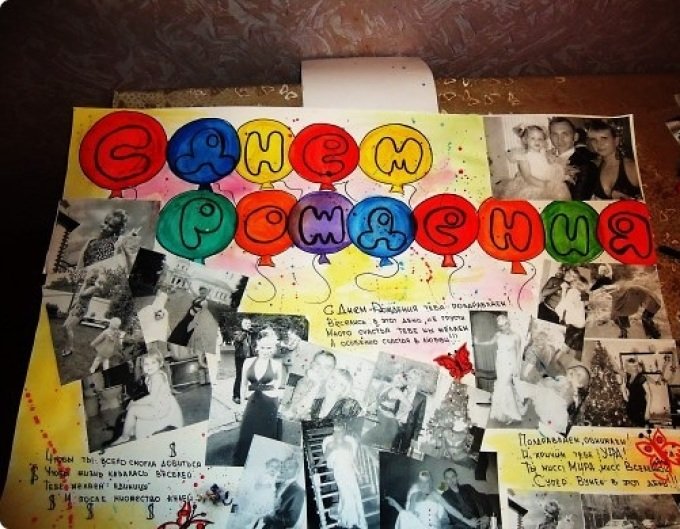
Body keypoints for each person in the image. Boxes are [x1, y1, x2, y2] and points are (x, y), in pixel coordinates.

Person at [232, 329, 285, 466]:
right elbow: (243, 385)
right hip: (252, 402)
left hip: (269, 404)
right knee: (247, 435)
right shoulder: (248, 362)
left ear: (273, 348)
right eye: (263, 347)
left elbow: (276, 388)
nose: (266, 351)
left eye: (269, 348)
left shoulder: (277, 365)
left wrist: (255, 388)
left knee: (266, 437)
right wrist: (242, 405)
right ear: (257, 347)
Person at [110, 349, 184, 444]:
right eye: (146, 364)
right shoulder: (151, 376)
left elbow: (151, 398)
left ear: (160, 364)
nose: (150, 366)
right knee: (135, 405)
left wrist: (135, 403)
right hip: (161, 404)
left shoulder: (157, 377)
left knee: (133, 410)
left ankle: (125, 436)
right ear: (142, 366)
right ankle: (130, 427)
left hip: (159, 408)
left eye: (153, 363)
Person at [475, 314, 526, 424]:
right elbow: (490, 342)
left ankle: (511, 414)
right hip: (500, 363)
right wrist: (478, 343)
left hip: (510, 364)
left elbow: (518, 354)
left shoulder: (516, 336)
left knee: (505, 386)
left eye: (505, 324)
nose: (504, 327)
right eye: (501, 326)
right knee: (502, 386)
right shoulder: (498, 335)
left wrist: (517, 368)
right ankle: (504, 412)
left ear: (509, 323)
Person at [386, 470, 478, 529]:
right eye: (422, 482)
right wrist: (395, 504)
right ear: (419, 482)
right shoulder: (414, 495)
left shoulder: (435, 494)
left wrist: (468, 521)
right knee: (404, 515)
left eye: (427, 482)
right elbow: (408, 516)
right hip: (417, 525)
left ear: (430, 482)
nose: (424, 485)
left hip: (432, 526)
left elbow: (450, 509)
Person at [590, 264, 662, 339]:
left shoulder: (619, 288)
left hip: (644, 298)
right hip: (634, 296)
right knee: (619, 315)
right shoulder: (615, 288)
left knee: (644, 318)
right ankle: (652, 334)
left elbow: (613, 287)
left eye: (602, 273)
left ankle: (654, 334)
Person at [501, 124, 570, 200]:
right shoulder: (523, 157)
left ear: (544, 141)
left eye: (540, 139)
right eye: (533, 138)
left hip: (547, 180)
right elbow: (527, 176)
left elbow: (547, 165)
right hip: (533, 184)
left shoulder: (543, 152)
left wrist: (551, 159)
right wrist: (543, 185)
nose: (537, 141)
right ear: (525, 140)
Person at [321, 423, 367, 529]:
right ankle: (349, 521)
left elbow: (353, 461)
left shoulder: (349, 444)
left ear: (344, 432)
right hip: (339, 472)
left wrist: (359, 474)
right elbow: (324, 458)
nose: (338, 433)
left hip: (350, 471)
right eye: (336, 431)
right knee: (347, 495)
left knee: (355, 494)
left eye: (340, 431)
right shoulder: (330, 445)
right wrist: (315, 465)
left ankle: (358, 519)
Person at [587, 119, 641, 200]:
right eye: (594, 140)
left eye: (604, 138)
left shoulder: (632, 167)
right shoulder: (593, 167)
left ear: (616, 141)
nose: (599, 144)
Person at [548, 117, 599, 200]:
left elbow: (578, 200)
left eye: (565, 134)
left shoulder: (585, 165)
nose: (559, 139)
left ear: (575, 137)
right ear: (550, 137)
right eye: (555, 134)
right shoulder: (545, 159)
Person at [281, 350, 337, 421]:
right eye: (318, 364)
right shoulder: (304, 381)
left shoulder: (332, 389)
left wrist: (316, 385)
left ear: (333, 371)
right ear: (312, 365)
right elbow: (296, 410)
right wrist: (316, 385)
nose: (320, 369)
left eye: (327, 367)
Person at [362, 371, 411, 449]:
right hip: (380, 413)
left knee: (370, 437)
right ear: (395, 375)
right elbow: (376, 399)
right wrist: (367, 408)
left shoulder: (398, 392)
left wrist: (398, 417)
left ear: (402, 385)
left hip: (388, 418)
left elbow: (410, 407)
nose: (398, 382)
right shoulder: (385, 385)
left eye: (401, 382)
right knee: (370, 438)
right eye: (398, 378)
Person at [61, 272, 104, 357]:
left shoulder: (93, 288)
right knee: (64, 327)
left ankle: (70, 349)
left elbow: (82, 294)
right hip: (76, 307)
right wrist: (73, 306)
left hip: (81, 310)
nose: (93, 279)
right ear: (88, 276)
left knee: (69, 327)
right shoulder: (87, 285)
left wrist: (85, 283)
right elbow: (79, 297)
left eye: (95, 278)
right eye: (92, 277)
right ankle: (66, 345)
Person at [257, 456, 305, 529]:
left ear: (297, 470)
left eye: (290, 467)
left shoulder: (298, 491)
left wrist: (269, 516)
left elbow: (291, 521)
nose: (286, 469)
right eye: (284, 466)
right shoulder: (276, 484)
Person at [392, 369, 428, 454]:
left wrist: (415, 438)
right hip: (395, 425)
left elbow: (419, 419)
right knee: (391, 449)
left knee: (403, 453)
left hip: (408, 429)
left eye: (414, 379)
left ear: (417, 381)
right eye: (410, 378)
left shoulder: (421, 397)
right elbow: (393, 407)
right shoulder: (399, 390)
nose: (411, 381)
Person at [554, 268, 588, 356]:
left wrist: (564, 290)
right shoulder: (580, 293)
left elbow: (564, 305)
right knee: (567, 350)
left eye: (574, 278)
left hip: (573, 327)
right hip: (580, 326)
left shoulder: (573, 291)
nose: (572, 280)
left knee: (562, 350)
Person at [167, 286, 209, 353]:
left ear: (206, 293)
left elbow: (202, 313)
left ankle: (180, 349)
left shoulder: (205, 302)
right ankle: (173, 345)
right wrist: (189, 284)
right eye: (200, 293)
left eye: (203, 293)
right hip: (188, 316)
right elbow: (193, 292)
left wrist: (195, 322)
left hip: (193, 319)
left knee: (185, 332)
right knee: (180, 329)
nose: (201, 294)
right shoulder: (199, 298)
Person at [232, 318, 256, 404]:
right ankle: (236, 396)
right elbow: (239, 339)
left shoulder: (250, 333)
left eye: (249, 323)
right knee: (239, 377)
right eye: (246, 323)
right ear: (242, 324)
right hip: (240, 358)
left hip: (250, 357)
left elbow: (253, 344)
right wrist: (245, 332)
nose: (248, 325)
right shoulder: (237, 332)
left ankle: (246, 394)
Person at [622, 359, 651, 426]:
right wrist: (624, 392)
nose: (631, 368)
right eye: (629, 366)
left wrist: (647, 411)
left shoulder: (641, 378)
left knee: (640, 426)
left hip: (640, 406)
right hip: (630, 405)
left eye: (633, 366)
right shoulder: (628, 377)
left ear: (636, 366)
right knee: (632, 426)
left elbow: (649, 394)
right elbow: (627, 393)